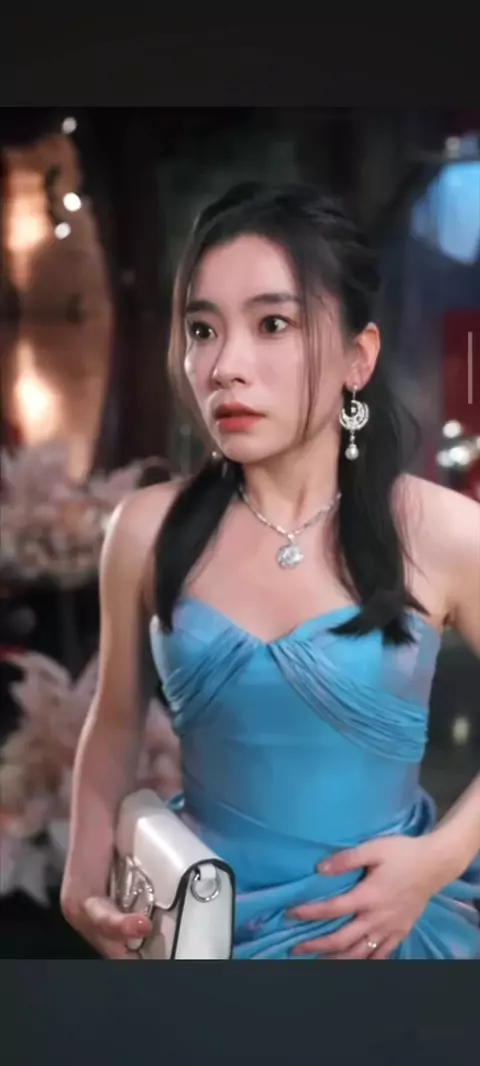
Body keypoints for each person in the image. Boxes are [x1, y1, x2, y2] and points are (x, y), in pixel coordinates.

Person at [61, 183, 480, 960]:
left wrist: (438, 861)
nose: (225, 367)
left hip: (384, 932)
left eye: (273, 324)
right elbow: (115, 720)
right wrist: (83, 878)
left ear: (358, 357)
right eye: (202, 330)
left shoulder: (444, 531)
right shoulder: (146, 530)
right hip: (203, 934)